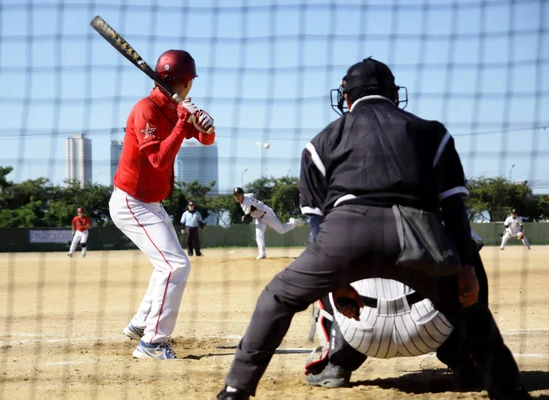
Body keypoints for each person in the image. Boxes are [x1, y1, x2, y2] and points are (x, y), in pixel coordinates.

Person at [217, 57, 528, 400]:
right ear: (394, 95)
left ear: (346, 98)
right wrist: (465, 268)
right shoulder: (431, 131)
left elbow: (317, 225)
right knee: (471, 311)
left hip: (346, 236)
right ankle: (508, 391)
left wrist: (338, 282)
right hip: (416, 235)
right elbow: (455, 210)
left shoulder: (321, 141)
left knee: (277, 296)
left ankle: (236, 390)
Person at [108, 49, 215, 360]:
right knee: (176, 266)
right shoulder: (146, 109)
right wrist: (183, 124)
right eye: (189, 81)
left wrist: (207, 126)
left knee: (166, 265)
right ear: (181, 81)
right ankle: (153, 344)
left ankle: (140, 325)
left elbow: (204, 139)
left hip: (151, 203)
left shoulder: (174, 106)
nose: (191, 86)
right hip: (131, 202)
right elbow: (156, 159)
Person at [305, 227, 489, 390]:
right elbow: (473, 243)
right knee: (467, 263)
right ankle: (467, 363)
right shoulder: (432, 206)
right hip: (432, 330)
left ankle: (338, 363)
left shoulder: (342, 213)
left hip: (360, 330)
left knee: (325, 267)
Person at [233, 187, 304, 259]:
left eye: (239, 194)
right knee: (259, 234)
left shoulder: (246, 202)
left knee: (282, 230)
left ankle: (294, 222)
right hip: (259, 218)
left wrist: (245, 217)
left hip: (267, 215)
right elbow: (253, 195)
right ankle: (262, 253)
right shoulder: (246, 197)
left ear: (242, 194)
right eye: (235, 195)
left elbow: (252, 210)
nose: (237, 197)